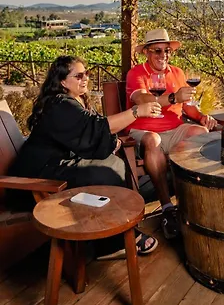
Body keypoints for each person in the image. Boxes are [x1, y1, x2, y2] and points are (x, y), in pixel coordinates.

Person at [9, 55, 162, 258]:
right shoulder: (59, 104)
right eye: (79, 76)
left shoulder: (75, 101)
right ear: (63, 82)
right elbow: (93, 128)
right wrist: (136, 112)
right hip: (38, 178)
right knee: (105, 173)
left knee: (113, 164)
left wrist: (111, 141)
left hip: (58, 165)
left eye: (86, 74)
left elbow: (90, 131)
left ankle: (114, 231)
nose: (85, 79)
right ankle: (112, 244)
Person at [126, 28, 217, 239]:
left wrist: (201, 117)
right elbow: (142, 99)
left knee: (201, 133)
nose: (163, 55)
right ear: (146, 52)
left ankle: (195, 199)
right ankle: (167, 207)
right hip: (144, 130)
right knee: (153, 140)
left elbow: (188, 107)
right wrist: (173, 98)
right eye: (157, 51)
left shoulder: (177, 73)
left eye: (167, 50)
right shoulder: (136, 73)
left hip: (174, 130)